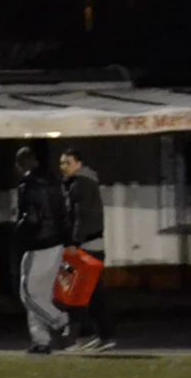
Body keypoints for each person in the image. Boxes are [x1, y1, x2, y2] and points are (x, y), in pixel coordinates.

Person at [58, 147, 117, 351]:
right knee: (89, 293)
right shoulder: (82, 183)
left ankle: (90, 336)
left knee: (79, 292)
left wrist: (74, 242)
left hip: (85, 247)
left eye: (67, 162)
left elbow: (81, 216)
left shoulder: (80, 184)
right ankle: (99, 335)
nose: (63, 167)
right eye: (62, 163)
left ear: (78, 164)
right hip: (90, 245)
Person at [13, 146, 69, 354]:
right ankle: (41, 340)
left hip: (38, 244)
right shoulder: (55, 181)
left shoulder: (27, 185)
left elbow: (32, 218)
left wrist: (18, 229)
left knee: (28, 294)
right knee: (41, 295)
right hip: (57, 242)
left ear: (20, 165)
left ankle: (61, 322)